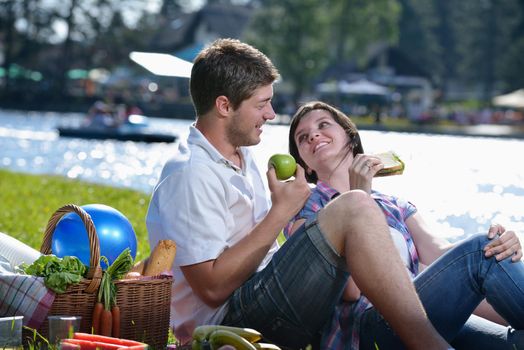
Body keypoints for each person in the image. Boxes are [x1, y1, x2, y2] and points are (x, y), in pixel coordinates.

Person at [146, 38, 452, 349]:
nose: (271, 114)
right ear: (224, 106)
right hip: (228, 321)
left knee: (469, 262)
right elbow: (210, 289)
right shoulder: (190, 174)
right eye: (261, 103)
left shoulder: (241, 156)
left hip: (265, 296)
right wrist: (282, 212)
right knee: (354, 206)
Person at [285, 100, 524, 349]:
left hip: (421, 312)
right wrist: (359, 198)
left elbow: (441, 254)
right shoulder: (307, 211)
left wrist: (500, 245)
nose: (313, 135)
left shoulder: (394, 205)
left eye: (323, 125)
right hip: (367, 328)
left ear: (351, 137)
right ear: (305, 165)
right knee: (479, 253)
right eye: (302, 137)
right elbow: (351, 292)